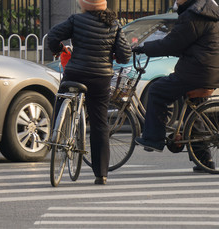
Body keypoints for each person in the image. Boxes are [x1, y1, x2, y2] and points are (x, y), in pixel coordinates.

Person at [133, 0, 219, 171]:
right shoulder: (207, 11)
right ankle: (204, 161)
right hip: (210, 71)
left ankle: (154, 139)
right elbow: (186, 43)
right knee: (194, 114)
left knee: (157, 90)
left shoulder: (194, 15)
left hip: (196, 71)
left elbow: (172, 43)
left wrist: (144, 48)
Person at [47, 0, 132, 184]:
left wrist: (58, 49)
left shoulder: (76, 20)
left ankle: (56, 132)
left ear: (83, 5)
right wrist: (113, 53)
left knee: (62, 96)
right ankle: (101, 174)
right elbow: (125, 54)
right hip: (100, 78)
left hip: (76, 73)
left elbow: (52, 36)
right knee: (99, 123)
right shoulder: (114, 24)